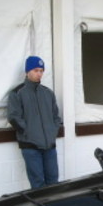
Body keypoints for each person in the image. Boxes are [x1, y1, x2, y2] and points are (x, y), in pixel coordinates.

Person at [8, 56, 62, 189]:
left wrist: (52, 132)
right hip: (31, 147)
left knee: (53, 182)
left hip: (49, 146)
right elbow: (13, 117)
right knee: (37, 184)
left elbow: (56, 116)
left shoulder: (48, 93)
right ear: (27, 72)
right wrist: (28, 132)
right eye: (36, 70)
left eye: (41, 71)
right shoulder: (17, 93)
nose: (39, 74)